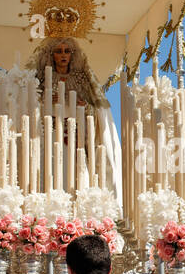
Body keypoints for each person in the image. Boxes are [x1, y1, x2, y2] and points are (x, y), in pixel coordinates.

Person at [28, 36, 121, 206]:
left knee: (77, 172)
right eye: (58, 51)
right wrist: (45, 101)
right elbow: (32, 109)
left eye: (67, 51)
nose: (63, 55)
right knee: (53, 169)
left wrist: (83, 105)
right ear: (51, 55)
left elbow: (96, 111)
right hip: (52, 133)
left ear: (72, 54)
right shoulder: (42, 80)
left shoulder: (82, 80)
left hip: (77, 137)